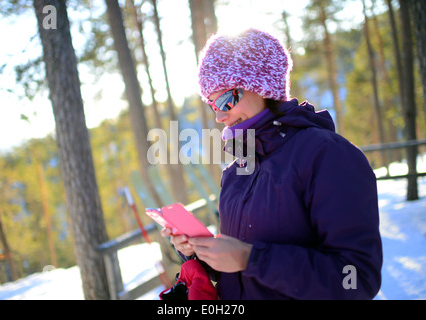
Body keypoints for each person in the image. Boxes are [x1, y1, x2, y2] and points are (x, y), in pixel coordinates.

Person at [161, 28, 382, 300]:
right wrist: (199, 251)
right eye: (211, 104)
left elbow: (357, 278)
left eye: (226, 99)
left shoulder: (328, 155)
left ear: (264, 87)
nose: (219, 116)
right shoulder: (237, 172)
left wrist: (252, 259)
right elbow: (239, 270)